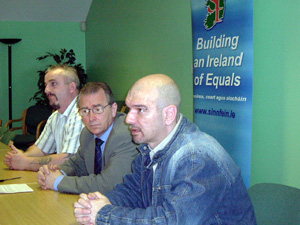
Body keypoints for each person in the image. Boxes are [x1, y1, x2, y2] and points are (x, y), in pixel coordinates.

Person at [74, 74, 257, 224]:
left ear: (169, 114)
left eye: (141, 109)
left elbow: (170, 220)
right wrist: (99, 203)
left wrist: (105, 214)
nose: (129, 119)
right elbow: (132, 190)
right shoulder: (149, 147)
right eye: (129, 109)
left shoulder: (196, 158)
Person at [37, 82, 138, 194]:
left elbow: (108, 184)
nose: (91, 118)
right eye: (85, 111)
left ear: (113, 109)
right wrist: (53, 172)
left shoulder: (127, 134)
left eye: (98, 109)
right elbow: (76, 165)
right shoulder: (87, 134)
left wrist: (58, 181)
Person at [4, 64, 84, 171]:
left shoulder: (81, 114)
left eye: (53, 84)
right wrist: (21, 156)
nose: (46, 90)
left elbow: (69, 160)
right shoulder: (56, 116)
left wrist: (26, 163)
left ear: (72, 87)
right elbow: (40, 149)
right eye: (46, 85)